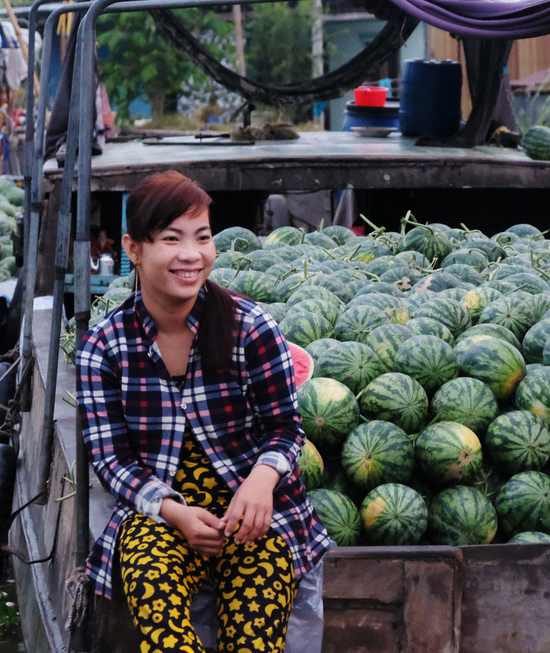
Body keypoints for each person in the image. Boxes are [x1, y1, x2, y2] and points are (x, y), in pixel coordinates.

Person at [76, 170, 330, 653]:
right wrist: (176, 514)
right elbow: (113, 461)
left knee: (256, 638)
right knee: (161, 623)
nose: (191, 254)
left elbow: (285, 428)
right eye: (172, 239)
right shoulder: (105, 346)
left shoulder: (251, 328)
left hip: (252, 515)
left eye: (202, 237)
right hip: (163, 513)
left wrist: (261, 482)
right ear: (134, 249)